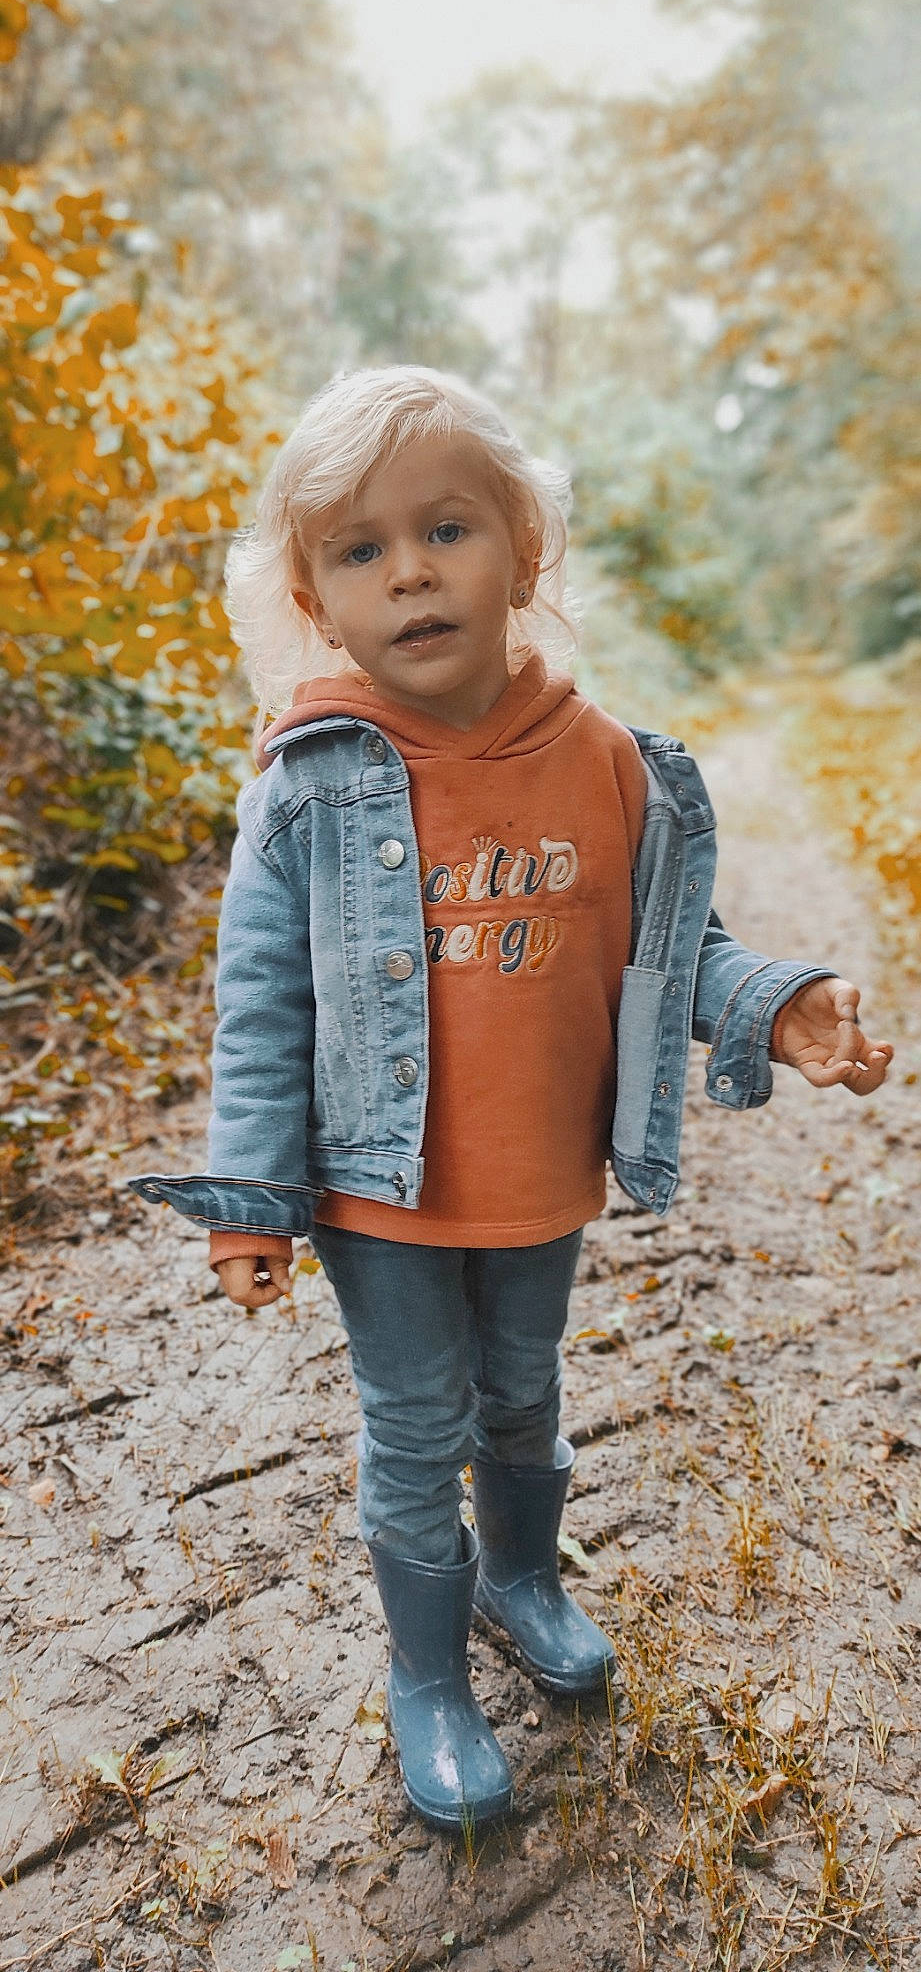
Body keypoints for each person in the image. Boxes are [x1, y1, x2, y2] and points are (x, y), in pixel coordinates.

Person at [128, 365, 894, 1834]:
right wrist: (253, 1199)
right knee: (416, 1421)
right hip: (383, 1192)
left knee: (524, 1394)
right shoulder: (312, 783)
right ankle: (427, 1675)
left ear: (521, 553)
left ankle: (522, 1577)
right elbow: (263, 998)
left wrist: (778, 1004)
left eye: (446, 529)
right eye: (359, 550)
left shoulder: (604, 762)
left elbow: (675, 948)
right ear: (316, 600)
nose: (408, 569)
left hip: (541, 1174)